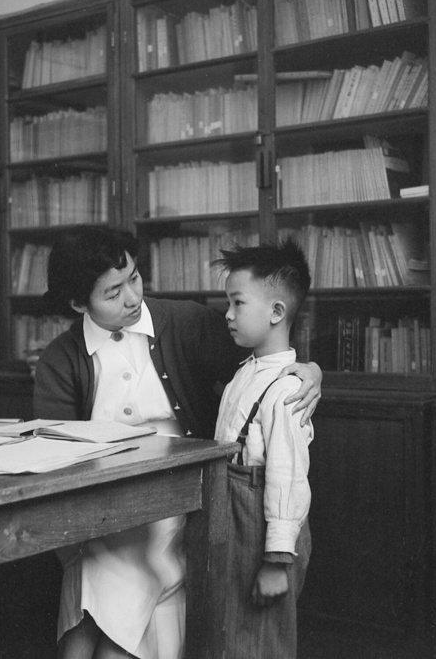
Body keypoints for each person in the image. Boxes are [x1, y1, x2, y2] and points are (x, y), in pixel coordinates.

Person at [33, 225, 321, 659]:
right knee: (93, 572)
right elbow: (56, 458)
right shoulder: (61, 359)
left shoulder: (186, 322)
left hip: (184, 505)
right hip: (102, 510)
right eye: (113, 293)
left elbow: (267, 345)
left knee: (104, 605)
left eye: (133, 278)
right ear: (78, 304)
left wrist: (311, 370)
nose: (132, 297)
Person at [211, 237, 314, 659]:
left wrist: (276, 561)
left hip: (263, 526)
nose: (228, 315)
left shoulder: (288, 389)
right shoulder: (246, 371)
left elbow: (288, 478)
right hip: (232, 515)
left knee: (261, 639)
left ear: (276, 312)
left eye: (238, 304)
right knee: (234, 634)